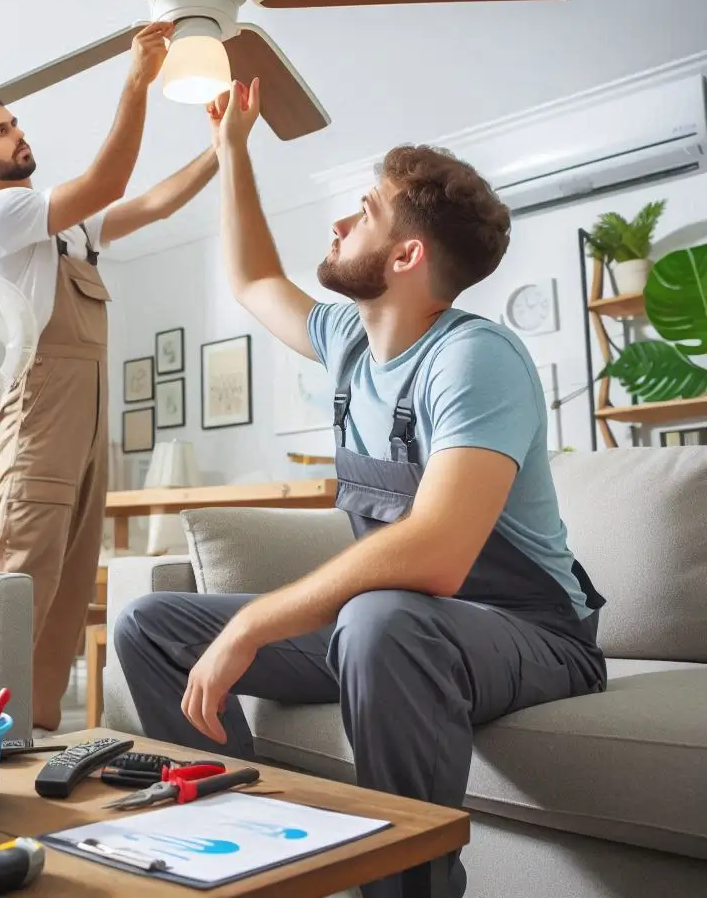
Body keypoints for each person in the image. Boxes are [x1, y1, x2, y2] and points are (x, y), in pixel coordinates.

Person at [113, 79, 608, 898]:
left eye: (365, 211)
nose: (341, 222)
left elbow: (438, 554)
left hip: (531, 634)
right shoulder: (347, 340)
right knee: (152, 624)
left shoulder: (474, 357)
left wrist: (254, 625)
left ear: (407, 256)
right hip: (399, 629)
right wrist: (233, 151)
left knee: (378, 617)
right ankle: (243, 853)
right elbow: (251, 279)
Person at [0, 22, 221, 734]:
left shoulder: (71, 230)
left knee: (69, 585)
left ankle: (30, 737)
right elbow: (110, 179)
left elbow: (154, 202)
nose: (17, 136)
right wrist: (137, 79)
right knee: (22, 574)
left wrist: (225, 147)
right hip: (39, 405)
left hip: (87, 410)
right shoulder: (2, 213)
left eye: (15, 123)